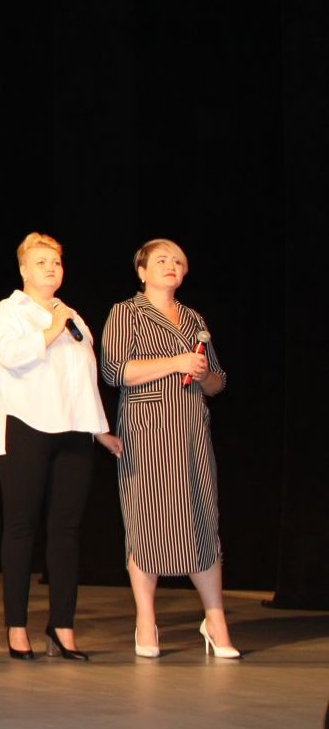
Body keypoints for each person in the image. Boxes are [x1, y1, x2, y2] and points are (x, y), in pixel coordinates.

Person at [0, 233, 123, 661]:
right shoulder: (7, 311)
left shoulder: (73, 316)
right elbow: (12, 357)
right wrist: (50, 329)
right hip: (24, 426)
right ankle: (16, 626)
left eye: (56, 263)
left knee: (66, 531)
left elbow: (83, 379)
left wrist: (100, 430)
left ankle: (62, 627)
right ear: (23, 269)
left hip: (74, 431)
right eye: (41, 262)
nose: (50, 269)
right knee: (21, 528)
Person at [101, 239, 235, 659]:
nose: (171, 265)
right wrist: (176, 362)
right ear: (141, 271)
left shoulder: (194, 318)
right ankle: (146, 620)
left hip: (191, 431)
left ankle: (215, 619)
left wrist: (203, 373)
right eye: (161, 259)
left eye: (178, 261)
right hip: (147, 431)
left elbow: (217, 382)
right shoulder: (127, 312)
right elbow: (114, 370)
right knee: (147, 519)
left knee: (201, 516)